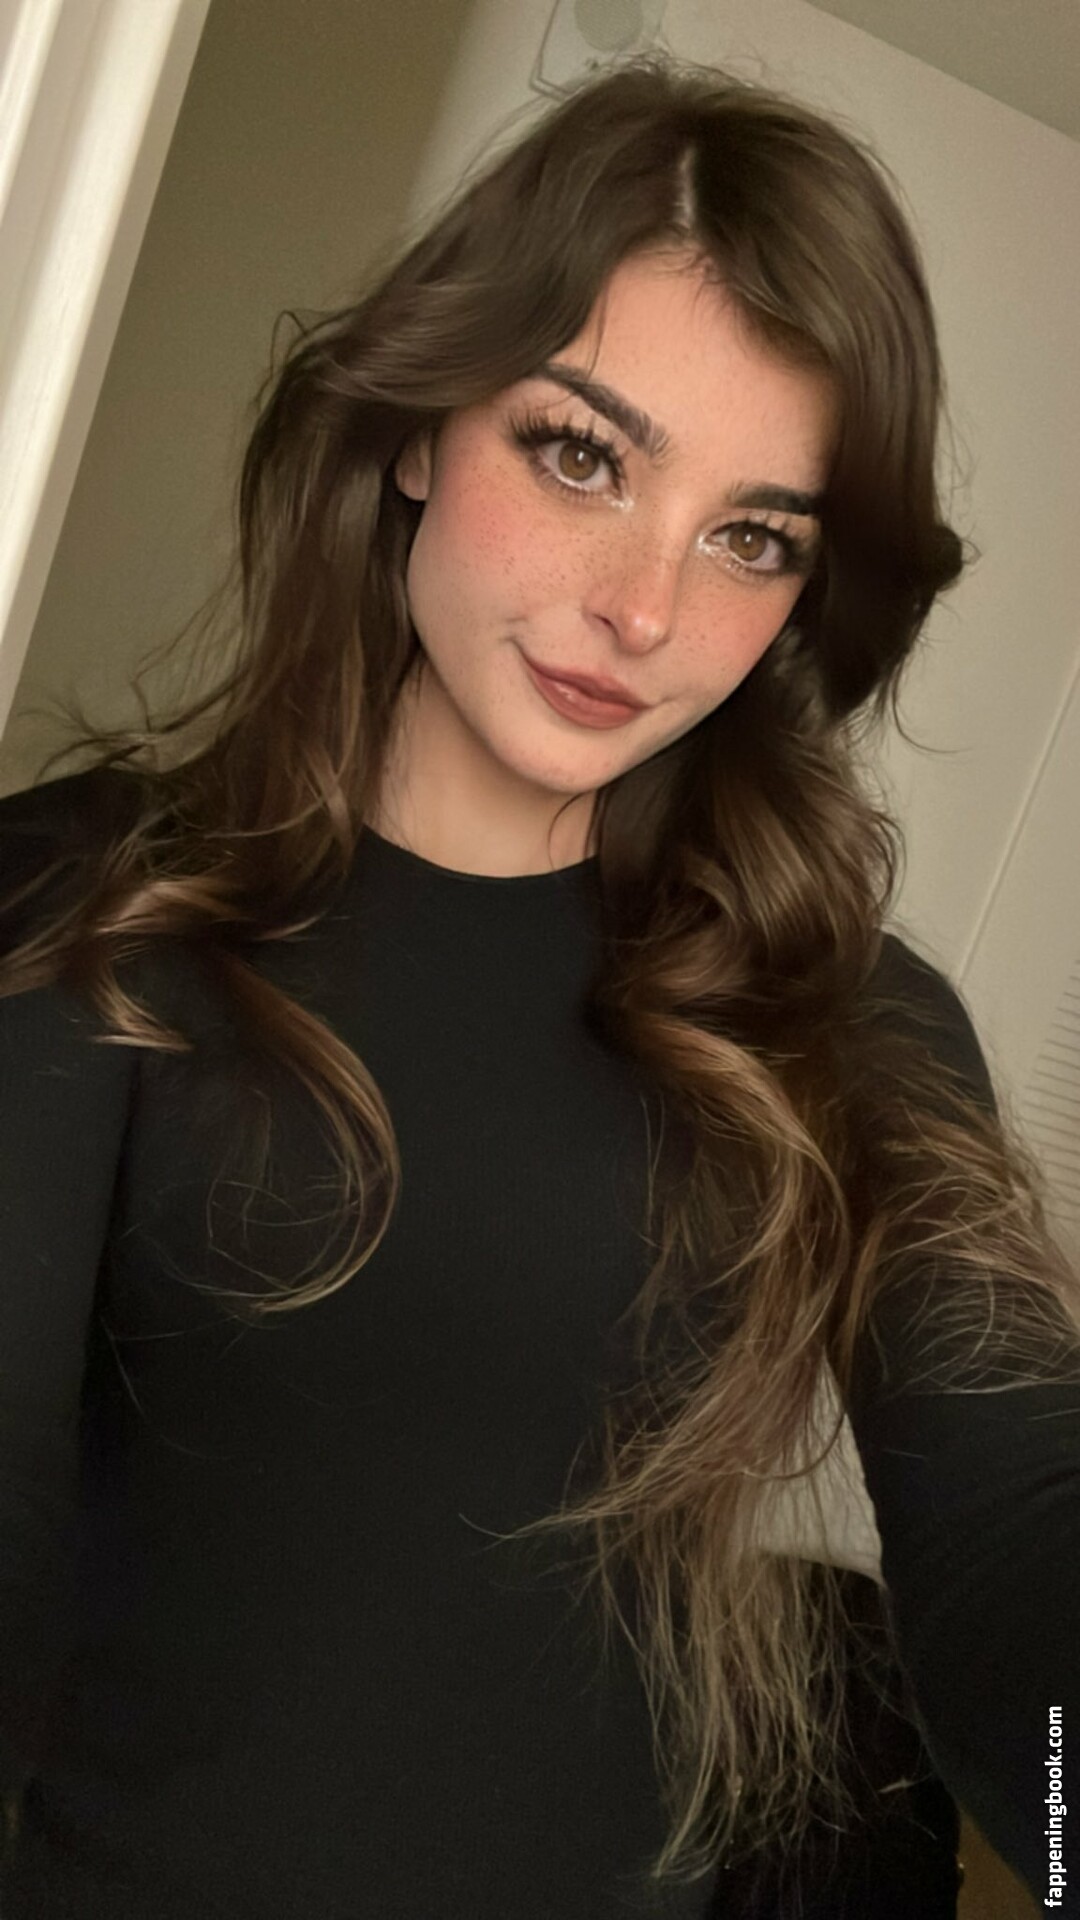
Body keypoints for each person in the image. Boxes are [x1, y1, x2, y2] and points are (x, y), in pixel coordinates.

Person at [0, 50, 1077, 1920]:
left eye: (752, 536)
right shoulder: (87, 905)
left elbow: (1013, 1532)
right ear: (421, 425)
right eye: (583, 454)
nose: (645, 610)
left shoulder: (856, 1027)